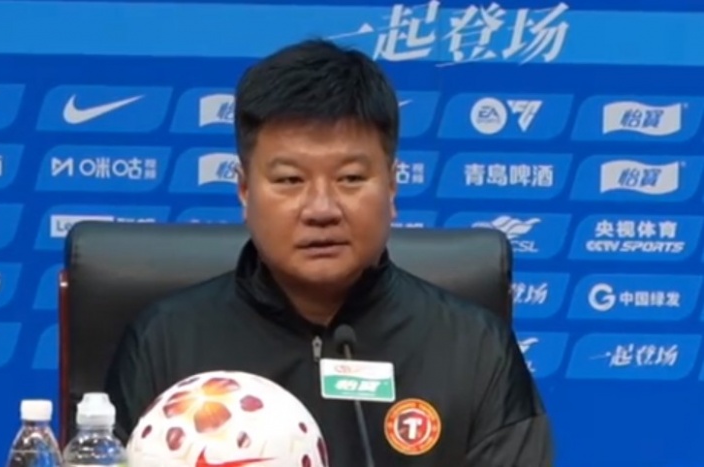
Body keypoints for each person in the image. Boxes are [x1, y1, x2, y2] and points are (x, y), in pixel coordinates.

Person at [105, 39, 553, 466]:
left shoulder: (474, 349)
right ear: (244, 190)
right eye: (289, 180)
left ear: (392, 186)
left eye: (350, 178)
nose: (321, 209)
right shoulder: (167, 341)